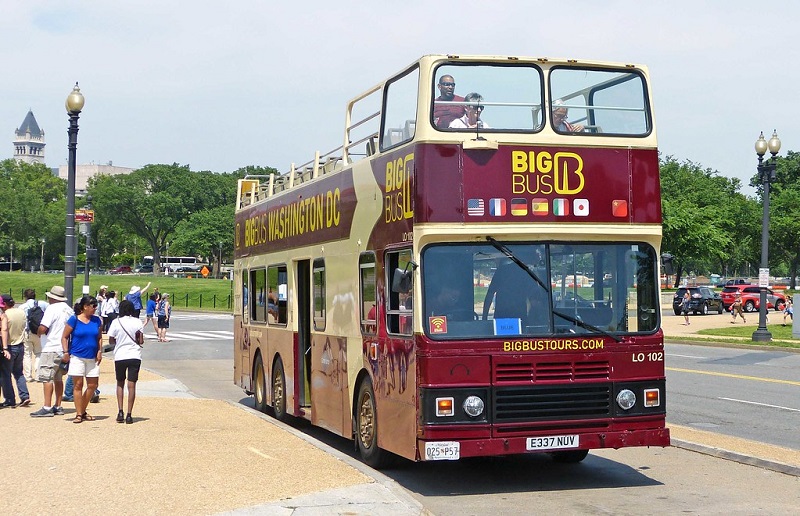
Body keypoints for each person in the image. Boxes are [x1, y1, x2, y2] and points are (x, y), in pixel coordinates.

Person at [30, 285, 74, 418]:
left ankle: (47, 406)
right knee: (58, 378)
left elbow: (43, 328)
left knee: (47, 377)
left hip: (51, 346)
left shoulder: (52, 308)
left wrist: (38, 332)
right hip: (63, 348)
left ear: (52, 298)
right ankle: (58, 405)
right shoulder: (69, 310)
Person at [62, 295, 103, 423]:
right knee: (78, 385)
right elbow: (65, 336)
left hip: (92, 357)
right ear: (85, 307)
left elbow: (99, 337)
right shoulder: (74, 319)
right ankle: (79, 413)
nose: (95, 309)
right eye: (93, 306)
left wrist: (100, 350)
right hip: (77, 356)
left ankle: (82, 410)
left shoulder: (97, 321)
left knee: (92, 385)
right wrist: (66, 352)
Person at [107, 299, 144, 424]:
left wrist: (118, 342)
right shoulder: (138, 322)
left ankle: (120, 411)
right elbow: (140, 340)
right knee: (132, 385)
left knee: (120, 383)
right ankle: (129, 414)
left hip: (120, 355)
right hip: (134, 355)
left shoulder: (116, 322)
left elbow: (111, 340)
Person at [1, 295, 31, 407]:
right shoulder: (21, 312)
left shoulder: (5, 315)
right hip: (20, 345)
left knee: (5, 374)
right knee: (18, 372)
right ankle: (25, 396)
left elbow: (4, 330)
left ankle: (9, 399)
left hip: (9, 345)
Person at [20, 289, 47, 383]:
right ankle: (39, 374)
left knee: (27, 354)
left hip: (28, 332)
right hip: (39, 332)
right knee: (39, 353)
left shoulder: (22, 306)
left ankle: (28, 376)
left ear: (25, 297)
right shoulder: (43, 304)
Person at [0, 296, 15, 407]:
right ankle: (10, 399)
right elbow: (4, 330)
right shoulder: (2, 315)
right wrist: (5, 348)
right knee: (4, 373)